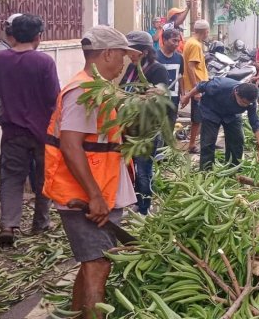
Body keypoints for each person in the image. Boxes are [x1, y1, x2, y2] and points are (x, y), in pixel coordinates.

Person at [42, 26, 139, 319]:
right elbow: (71, 146)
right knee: (99, 265)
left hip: (99, 191)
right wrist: (94, 196)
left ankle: (74, 314)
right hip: (84, 197)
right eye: (121, 54)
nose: (123, 62)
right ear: (107, 53)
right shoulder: (83, 90)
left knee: (91, 263)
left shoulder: (97, 89)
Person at [0, 14, 60, 248]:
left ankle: (8, 225)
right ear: (38, 36)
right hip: (42, 132)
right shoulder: (44, 62)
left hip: (12, 131)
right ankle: (40, 222)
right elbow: (54, 99)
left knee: (10, 177)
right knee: (43, 179)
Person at [120, 31, 169, 215]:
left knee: (143, 170)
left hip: (147, 129)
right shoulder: (132, 68)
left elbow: (161, 96)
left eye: (132, 50)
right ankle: (137, 201)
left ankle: (145, 208)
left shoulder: (157, 69)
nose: (128, 54)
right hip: (131, 126)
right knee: (132, 167)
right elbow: (122, 89)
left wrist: (144, 97)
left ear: (145, 51)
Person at [181, 78, 259, 170]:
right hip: (211, 110)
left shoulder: (250, 103)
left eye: (248, 104)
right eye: (243, 102)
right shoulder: (219, 85)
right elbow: (200, 86)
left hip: (232, 115)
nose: (245, 105)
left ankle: (234, 168)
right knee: (208, 141)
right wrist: (187, 96)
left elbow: (255, 123)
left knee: (237, 140)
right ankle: (206, 171)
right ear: (236, 93)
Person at [182, 19, 210, 154]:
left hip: (198, 86)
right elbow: (191, 67)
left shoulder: (190, 42)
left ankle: (197, 143)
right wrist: (196, 89)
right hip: (199, 86)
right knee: (198, 118)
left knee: (198, 117)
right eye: (207, 31)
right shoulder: (195, 45)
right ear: (204, 32)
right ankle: (193, 144)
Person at [157, 29, 184, 126]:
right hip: (158, 100)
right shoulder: (155, 57)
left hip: (173, 100)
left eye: (178, 41)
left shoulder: (179, 58)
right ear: (164, 40)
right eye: (174, 40)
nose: (176, 44)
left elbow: (180, 76)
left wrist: (183, 95)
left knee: (170, 126)